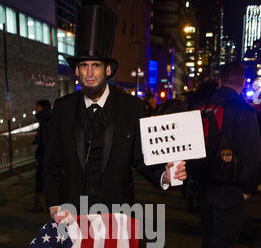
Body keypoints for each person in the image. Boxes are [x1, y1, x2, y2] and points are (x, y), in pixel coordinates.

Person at [43, 4, 186, 223]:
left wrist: (165, 176)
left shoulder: (132, 108)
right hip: (71, 215)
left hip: (117, 217)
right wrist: (54, 203)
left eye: (96, 66)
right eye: (84, 66)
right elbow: (52, 161)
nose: (89, 73)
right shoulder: (63, 107)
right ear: (77, 70)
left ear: (107, 69)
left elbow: (141, 158)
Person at [190, 62, 261, 248]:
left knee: (210, 242)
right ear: (242, 82)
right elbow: (253, 155)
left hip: (206, 185)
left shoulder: (203, 106)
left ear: (220, 80)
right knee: (222, 247)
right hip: (229, 188)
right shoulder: (242, 110)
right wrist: (247, 189)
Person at [30, 99, 52, 212]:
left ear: (42, 108)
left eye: (37, 107)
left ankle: (39, 204)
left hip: (45, 155)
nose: (36, 109)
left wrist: (39, 145)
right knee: (50, 180)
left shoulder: (44, 119)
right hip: (50, 156)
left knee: (41, 180)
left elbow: (45, 139)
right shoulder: (52, 118)